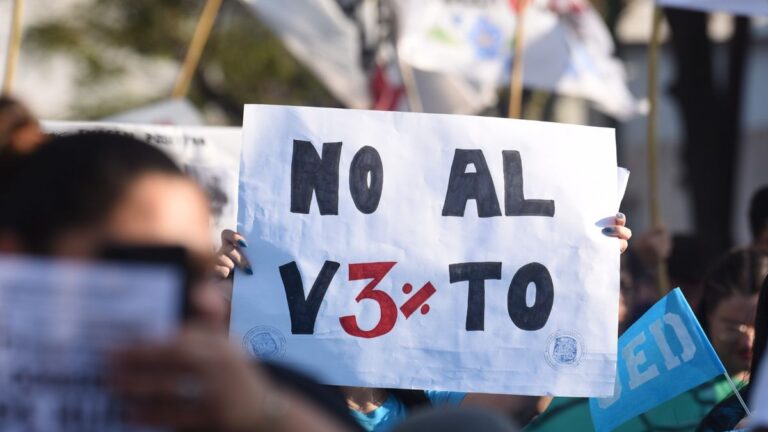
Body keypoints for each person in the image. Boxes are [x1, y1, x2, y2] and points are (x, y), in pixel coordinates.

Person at [0, 131, 362, 432]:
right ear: (15, 258)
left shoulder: (266, 397)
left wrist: (264, 413)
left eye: (199, 271)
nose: (206, 303)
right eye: (155, 262)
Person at [216, 215, 632, 431]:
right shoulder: (271, 393)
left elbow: (523, 397)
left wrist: (580, 272)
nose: (363, 299)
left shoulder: (430, 391)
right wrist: (226, 291)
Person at [523, 246, 768, 432]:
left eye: (758, 326)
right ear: (709, 313)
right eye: (733, 326)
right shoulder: (659, 370)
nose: (748, 340)